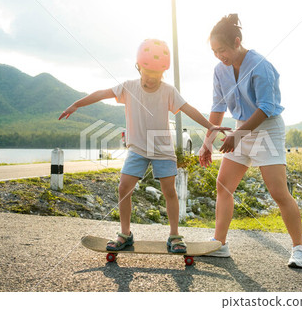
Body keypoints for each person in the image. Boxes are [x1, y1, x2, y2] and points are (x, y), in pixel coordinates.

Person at [59, 39, 229, 254]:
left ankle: (175, 236)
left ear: (163, 72)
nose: (151, 79)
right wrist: (76, 104)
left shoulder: (168, 91)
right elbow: (102, 93)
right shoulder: (128, 87)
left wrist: (210, 125)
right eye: (147, 73)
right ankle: (125, 234)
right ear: (139, 67)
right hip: (137, 149)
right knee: (123, 188)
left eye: (156, 75)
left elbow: (188, 108)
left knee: (169, 191)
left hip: (163, 151)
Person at [199, 14, 302, 268]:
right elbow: (217, 110)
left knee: (278, 192)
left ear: (237, 41)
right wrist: (207, 143)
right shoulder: (219, 70)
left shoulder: (260, 66)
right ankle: (220, 243)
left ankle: (299, 249)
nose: (219, 55)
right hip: (241, 128)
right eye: (214, 51)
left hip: (266, 128)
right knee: (223, 185)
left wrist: (238, 136)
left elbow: (266, 108)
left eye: (222, 49)